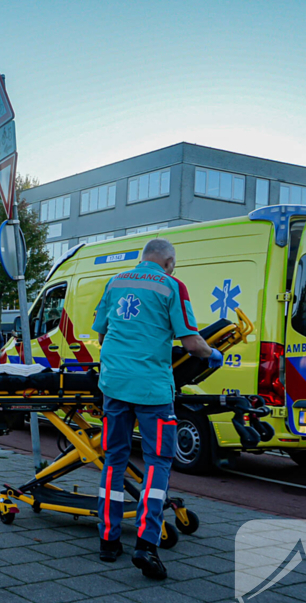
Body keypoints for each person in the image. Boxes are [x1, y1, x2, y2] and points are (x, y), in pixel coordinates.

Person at [92, 238, 222, 580]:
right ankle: (147, 544)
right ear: (168, 262)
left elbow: (103, 334)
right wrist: (212, 355)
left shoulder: (115, 281)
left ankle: (108, 540)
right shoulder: (171, 286)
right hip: (151, 389)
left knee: (114, 460)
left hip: (114, 386)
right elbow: (192, 343)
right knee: (157, 463)